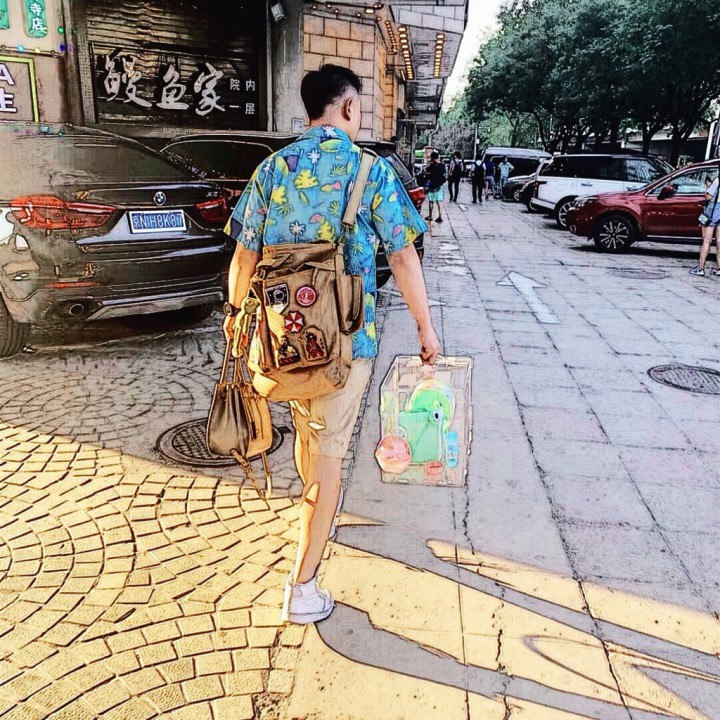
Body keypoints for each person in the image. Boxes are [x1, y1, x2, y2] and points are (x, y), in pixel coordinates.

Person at [223, 64, 440, 625]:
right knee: (329, 457)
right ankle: (303, 587)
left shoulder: (272, 169)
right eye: (359, 107)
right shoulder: (370, 171)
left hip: (281, 339)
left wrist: (235, 314)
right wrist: (425, 327)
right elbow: (403, 255)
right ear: (347, 107)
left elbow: (244, 255)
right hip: (346, 345)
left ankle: (311, 517)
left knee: (309, 435)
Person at [690, 170, 720, 277]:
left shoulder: (717, 180)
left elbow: (708, 196)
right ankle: (719, 268)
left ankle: (701, 268)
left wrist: (708, 187)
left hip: (714, 210)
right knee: (719, 241)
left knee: (707, 240)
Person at [424, 151, 447, 223]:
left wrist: (428, 163)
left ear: (432, 158)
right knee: (439, 201)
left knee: (431, 201)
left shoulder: (432, 165)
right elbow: (444, 174)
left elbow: (425, 171)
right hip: (440, 186)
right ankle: (440, 216)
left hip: (432, 185)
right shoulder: (442, 165)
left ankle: (430, 216)